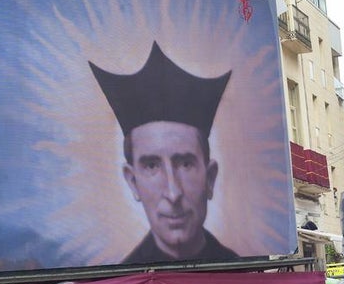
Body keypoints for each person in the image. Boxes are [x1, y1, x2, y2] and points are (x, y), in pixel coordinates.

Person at [92, 42, 238, 264]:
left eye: (185, 164)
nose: (173, 193)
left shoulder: (238, 270)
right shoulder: (121, 278)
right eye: (152, 166)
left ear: (210, 177)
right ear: (132, 181)